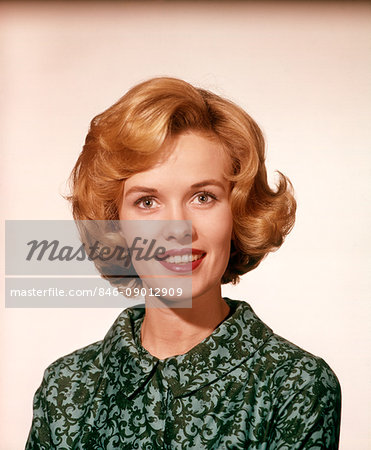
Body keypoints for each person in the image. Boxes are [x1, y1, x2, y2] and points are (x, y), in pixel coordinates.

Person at [26, 77, 341, 449]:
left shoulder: (295, 385)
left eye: (203, 197)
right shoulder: (66, 388)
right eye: (147, 202)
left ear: (238, 213)